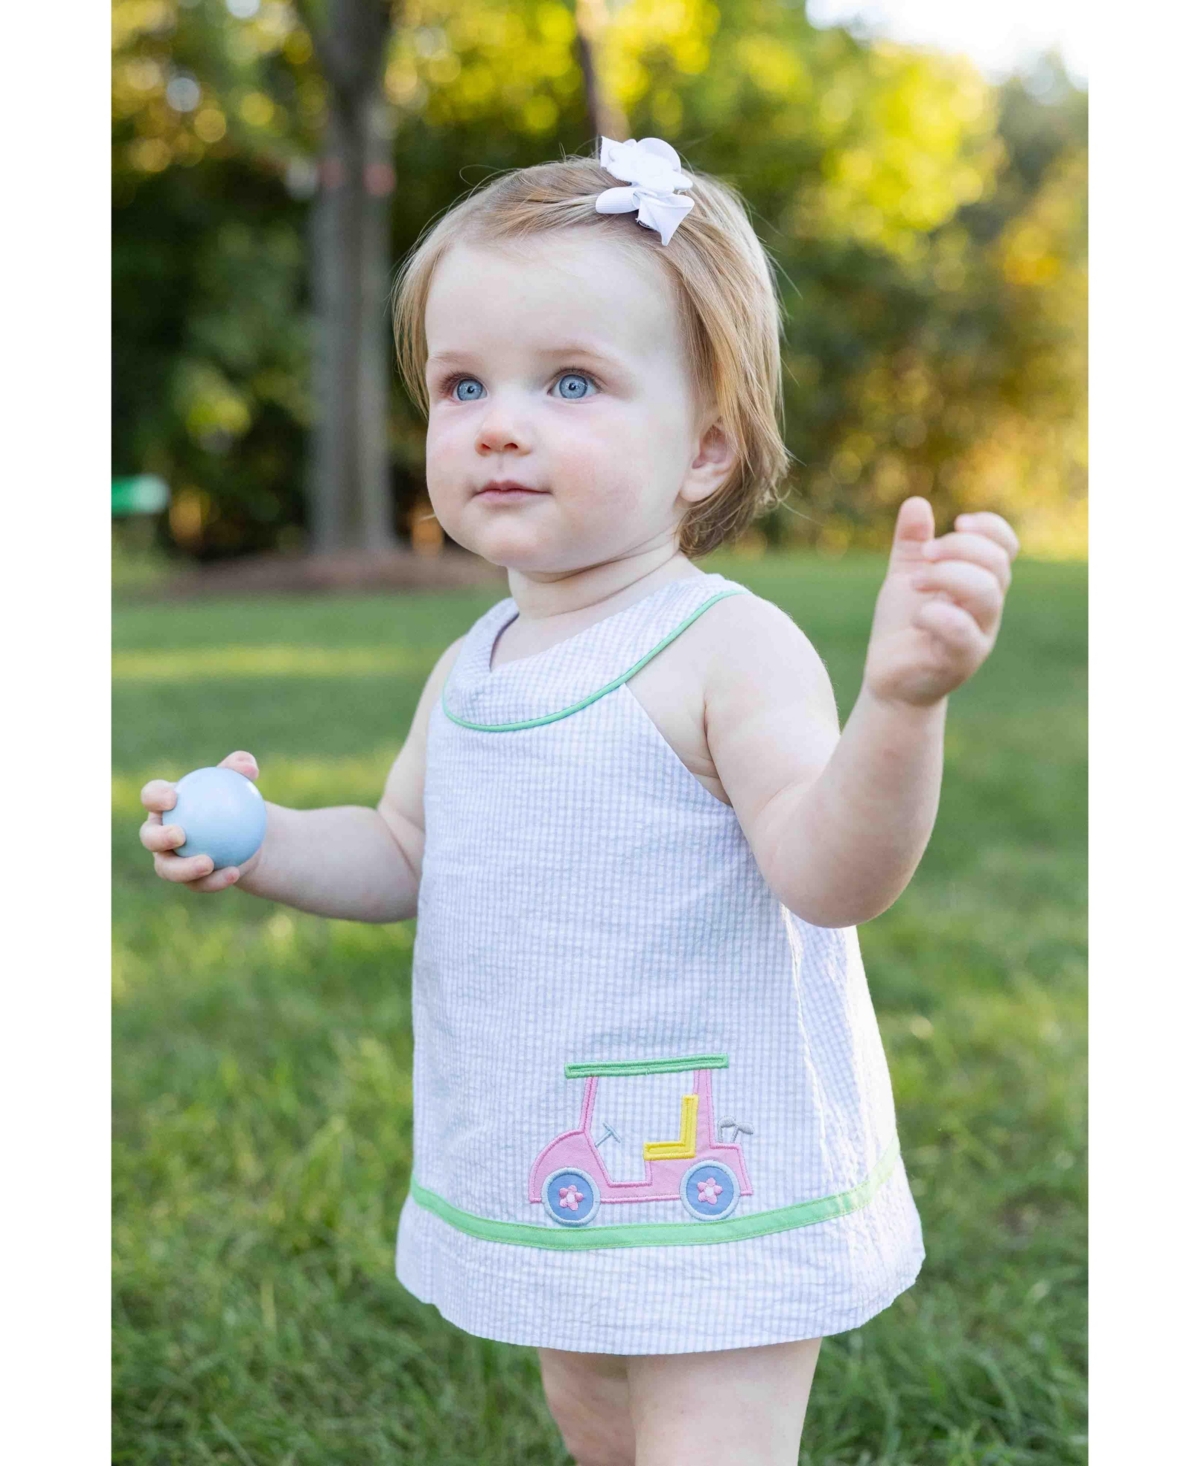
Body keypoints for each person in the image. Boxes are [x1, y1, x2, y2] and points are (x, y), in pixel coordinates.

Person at [139, 137, 1019, 1465]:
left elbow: (833, 874)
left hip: (720, 1175)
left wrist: (898, 710)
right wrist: (263, 841)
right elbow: (400, 850)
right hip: (561, 1157)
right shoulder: (471, 668)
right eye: (461, 383)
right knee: (595, 1424)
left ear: (707, 445)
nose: (499, 420)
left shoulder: (727, 647)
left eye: (570, 381)